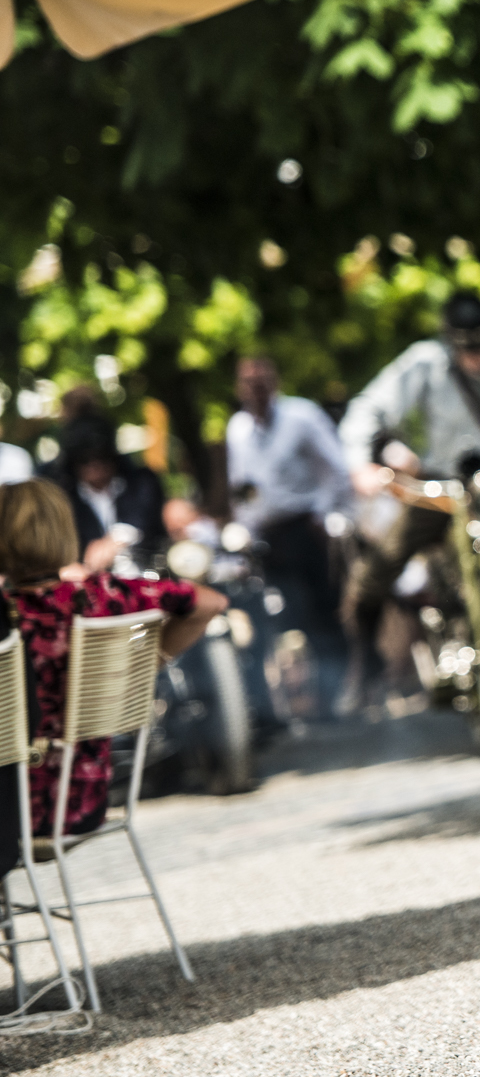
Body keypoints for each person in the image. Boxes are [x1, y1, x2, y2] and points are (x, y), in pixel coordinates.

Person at [337, 291, 480, 708]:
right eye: (468, 349)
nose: (477, 357)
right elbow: (367, 409)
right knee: (375, 572)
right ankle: (365, 663)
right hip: (442, 489)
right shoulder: (424, 363)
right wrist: (361, 464)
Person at [0, 478, 226, 868]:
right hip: (82, 801)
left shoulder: (7, 614)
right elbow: (210, 603)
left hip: (13, 813)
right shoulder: (106, 594)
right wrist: (140, 666)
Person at [226, 355, 351, 712]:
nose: (255, 390)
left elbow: (335, 469)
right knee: (286, 615)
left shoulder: (302, 416)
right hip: (268, 538)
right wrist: (245, 534)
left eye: (261, 381)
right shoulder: (238, 429)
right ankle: (303, 697)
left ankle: (336, 692)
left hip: (304, 528)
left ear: (274, 382)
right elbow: (242, 489)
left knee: (321, 610)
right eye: (248, 383)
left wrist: (322, 514)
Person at [47, 414, 167, 569]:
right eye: (84, 459)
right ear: (72, 462)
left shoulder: (141, 483)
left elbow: (147, 520)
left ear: (113, 454)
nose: (94, 464)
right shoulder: (64, 500)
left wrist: (116, 540)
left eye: (101, 455)